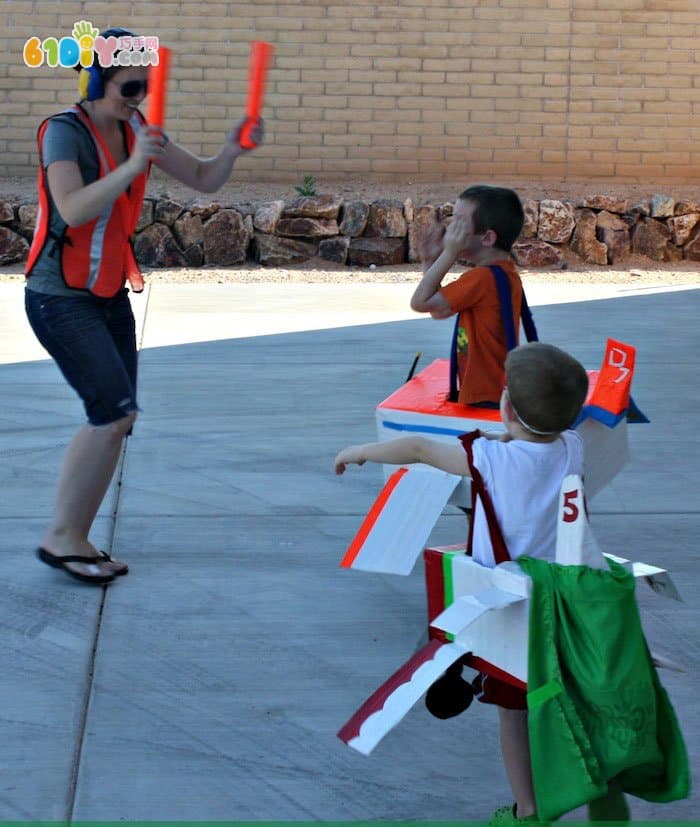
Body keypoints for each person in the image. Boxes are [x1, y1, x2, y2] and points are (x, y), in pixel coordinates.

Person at [334, 342, 634, 824]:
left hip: (515, 612)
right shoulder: (572, 446)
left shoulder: (486, 458)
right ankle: (594, 784)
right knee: (564, 703)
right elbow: (539, 444)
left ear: (506, 406)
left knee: (513, 713)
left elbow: (415, 448)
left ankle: (528, 809)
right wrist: (515, 431)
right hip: (566, 605)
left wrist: (361, 451)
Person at [24, 27, 264, 585]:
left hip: (107, 294)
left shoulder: (135, 126)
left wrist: (232, 148)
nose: (140, 98)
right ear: (99, 78)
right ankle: (61, 537)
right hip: (59, 299)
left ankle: (72, 536)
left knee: (120, 418)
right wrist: (132, 168)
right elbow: (73, 207)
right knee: (110, 413)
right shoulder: (63, 132)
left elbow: (203, 179)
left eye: (146, 87)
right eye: (131, 86)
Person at [410, 185, 527, 407]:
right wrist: (429, 261)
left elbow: (420, 302)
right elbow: (439, 310)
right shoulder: (503, 272)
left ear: (487, 238)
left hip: (484, 395)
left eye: (459, 223)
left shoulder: (482, 279)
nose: (450, 229)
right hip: (490, 390)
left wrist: (449, 253)